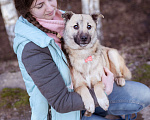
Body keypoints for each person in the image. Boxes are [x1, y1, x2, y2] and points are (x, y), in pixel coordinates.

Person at [13, 0, 150, 120]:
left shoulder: (65, 19)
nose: (49, 8)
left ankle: (105, 112)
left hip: (91, 87)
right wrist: (106, 90)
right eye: (40, 5)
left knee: (143, 94)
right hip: (64, 113)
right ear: (27, 10)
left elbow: (92, 47)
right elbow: (61, 102)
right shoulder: (31, 48)